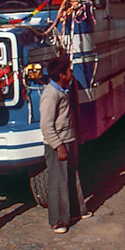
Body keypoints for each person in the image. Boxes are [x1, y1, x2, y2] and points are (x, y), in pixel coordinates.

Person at [40, 55, 89, 234]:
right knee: (58, 181)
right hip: (58, 145)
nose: (71, 74)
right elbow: (46, 125)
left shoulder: (63, 90)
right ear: (61, 75)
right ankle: (58, 220)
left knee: (71, 175)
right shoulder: (50, 95)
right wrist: (58, 145)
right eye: (69, 71)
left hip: (68, 140)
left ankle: (75, 212)